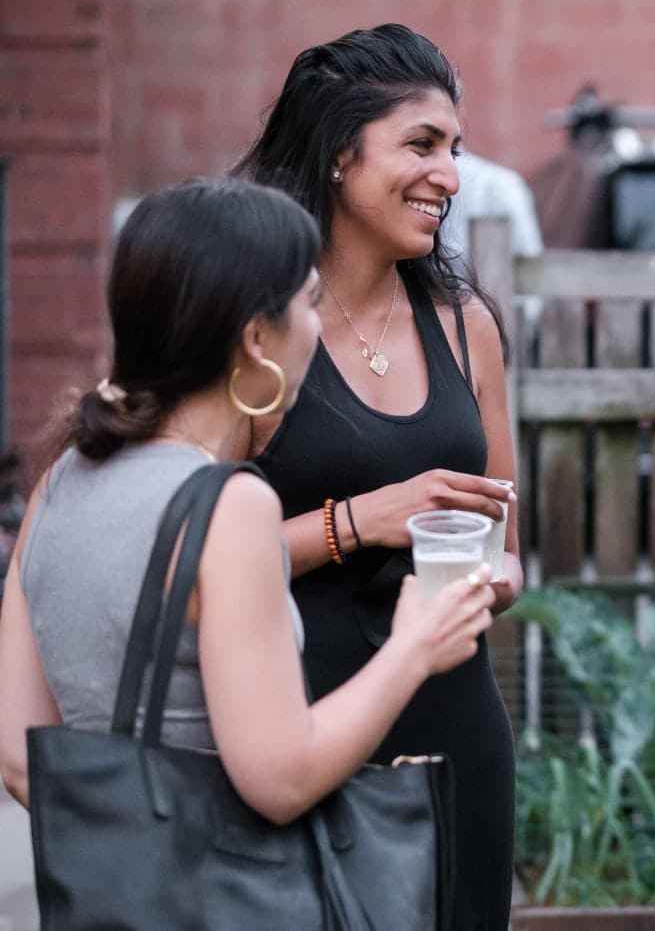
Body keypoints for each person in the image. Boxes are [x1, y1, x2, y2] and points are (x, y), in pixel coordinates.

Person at [0, 178, 496, 830]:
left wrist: (136, 839)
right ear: (257, 339)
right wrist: (416, 647)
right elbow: (282, 779)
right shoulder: (230, 507)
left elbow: (17, 756)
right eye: (311, 303)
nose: (319, 329)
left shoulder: (62, 477)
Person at [231, 24, 520, 930]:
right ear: (337, 156)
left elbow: (509, 550)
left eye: (455, 150)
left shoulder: (464, 322)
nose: (451, 176)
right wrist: (359, 521)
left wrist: (489, 578)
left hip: (453, 730)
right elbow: (190, 560)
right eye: (422, 145)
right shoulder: (251, 329)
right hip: (296, 727)